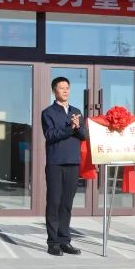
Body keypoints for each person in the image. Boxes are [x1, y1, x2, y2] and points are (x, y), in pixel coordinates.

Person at [40, 76, 86, 256]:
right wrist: (70, 128)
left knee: (67, 204)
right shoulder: (48, 112)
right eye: (61, 88)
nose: (65, 90)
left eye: (67, 87)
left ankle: (64, 240)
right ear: (54, 91)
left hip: (73, 162)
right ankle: (53, 243)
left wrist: (77, 126)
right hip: (56, 162)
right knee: (54, 202)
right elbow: (50, 135)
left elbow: (84, 135)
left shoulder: (76, 111)